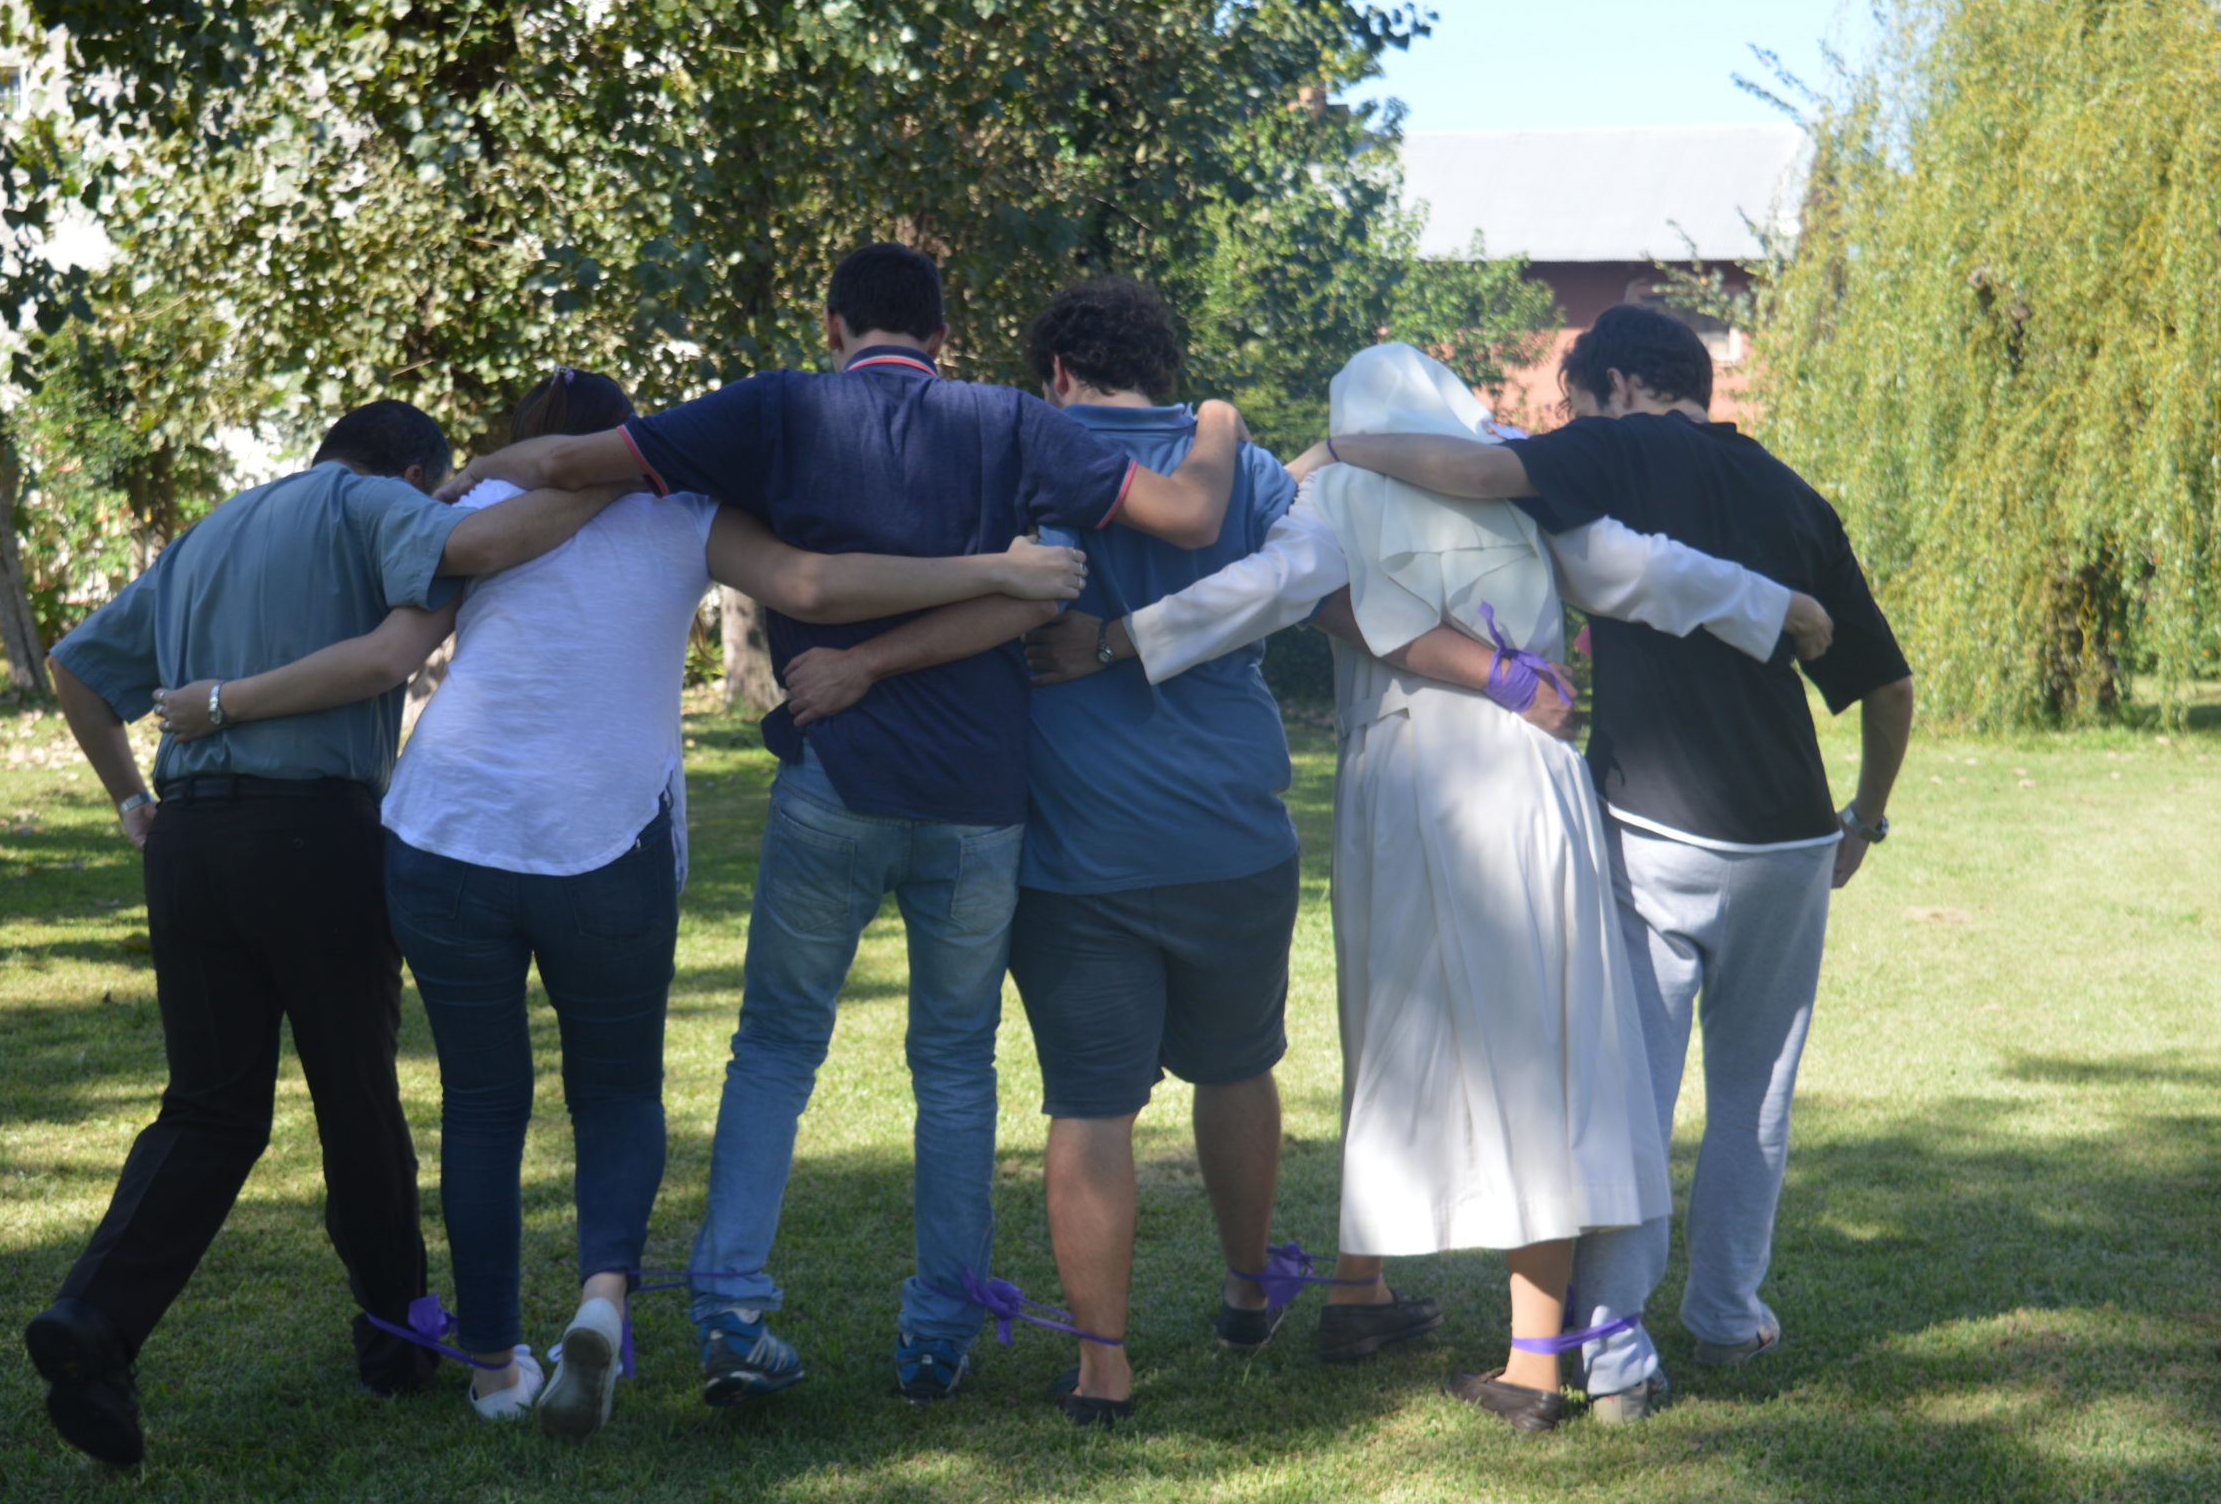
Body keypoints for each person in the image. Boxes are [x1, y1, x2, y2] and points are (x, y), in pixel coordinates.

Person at [147, 366, 1090, 1440]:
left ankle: (492, 1364)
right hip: (606, 835)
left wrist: (222, 701)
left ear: (530, 439)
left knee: (482, 1102)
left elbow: (391, 652)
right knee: (617, 1092)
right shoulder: (683, 508)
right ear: (629, 438)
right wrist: (997, 571)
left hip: (446, 829)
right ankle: (601, 1300)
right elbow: (817, 586)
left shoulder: (473, 507)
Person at [445, 243, 1251, 1408]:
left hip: (834, 780)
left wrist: (476, 466)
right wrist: (1217, 422)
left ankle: (729, 1312)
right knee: (955, 1065)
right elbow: (1186, 513)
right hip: (978, 798)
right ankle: (937, 1335)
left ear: (831, 326)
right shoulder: (1012, 419)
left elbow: (573, 460)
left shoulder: (777, 408)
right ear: (941, 336)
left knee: (775, 1048)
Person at [1064, 343, 1822, 1430]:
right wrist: (1773, 604)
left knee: (1388, 1029)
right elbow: (1640, 570)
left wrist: (1123, 638)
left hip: (1399, 777)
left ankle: (1382, 1297)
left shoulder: (1331, 496)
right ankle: (1514, 1342)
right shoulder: (1514, 482)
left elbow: (1262, 589)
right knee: (1546, 1041)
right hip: (1528, 774)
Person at [1287, 305, 1915, 1412]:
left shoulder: (1597, 452)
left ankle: (1612, 1352)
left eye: (1573, 399)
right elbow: (1877, 678)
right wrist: (1862, 816)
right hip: (1788, 828)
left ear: (1616, 388)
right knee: (1756, 1091)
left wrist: (1337, 449)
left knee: (1624, 1089)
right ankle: (1726, 1315)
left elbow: (1479, 485)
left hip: (1653, 819)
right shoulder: (1792, 494)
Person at [770, 277, 1343, 1426]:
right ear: (1164, 368)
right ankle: (1246, 1290)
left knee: (1090, 1103)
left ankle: (1102, 1368)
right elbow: (1302, 568)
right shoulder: (1240, 467)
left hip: (1077, 846)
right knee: (1237, 1066)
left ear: (1060, 374)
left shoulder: (1025, 460)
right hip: (1234, 829)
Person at [29, 399, 639, 1467]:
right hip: (313, 834)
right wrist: (623, 475)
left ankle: (93, 1318)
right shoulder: (370, 504)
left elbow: (75, 667)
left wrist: (132, 801)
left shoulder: (210, 531)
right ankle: (397, 1339)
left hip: (189, 843)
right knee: (354, 1098)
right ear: (409, 472)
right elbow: (485, 545)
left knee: (210, 1107)